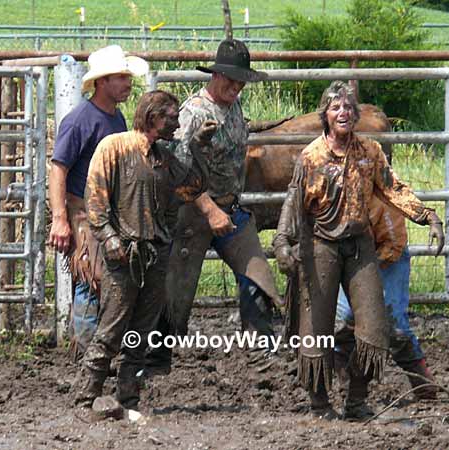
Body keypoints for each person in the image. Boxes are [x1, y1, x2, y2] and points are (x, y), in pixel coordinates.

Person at [273, 81, 445, 420]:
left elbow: (392, 188)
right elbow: (294, 203)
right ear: (324, 115)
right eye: (336, 108)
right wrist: (282, 243)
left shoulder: (370, 152)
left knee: (374, 328)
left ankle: (356, 400)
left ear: (357, 115)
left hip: (359, 246)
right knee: (316, 331)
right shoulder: (311, 156)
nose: (344, 113)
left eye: (349, 108)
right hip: (320, 246)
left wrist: (428, 216)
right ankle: (320, 403)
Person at [73, 90, 216, 412]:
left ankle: (128, 397)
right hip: (124, 254)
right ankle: (86, 397)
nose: (178, 122)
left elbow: (192, 187)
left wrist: (198, 146)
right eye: (172, 116)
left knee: (141, 333)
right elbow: (95, 200)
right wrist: (110, 239)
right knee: (112, 328)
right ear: (153, 117)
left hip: (154, 253)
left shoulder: (163, 156)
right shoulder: (115, 147)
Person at [148, 39, 283, 374]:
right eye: (231, 80)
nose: (236, 87)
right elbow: (176, 171)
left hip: (230, 208)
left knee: (257, 275)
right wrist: (209, 209)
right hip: (191, 212)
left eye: (241, 82)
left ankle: (261, 351)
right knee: (175, 287)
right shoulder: (192, 113)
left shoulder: (234, 110)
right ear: (216, 75)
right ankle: (154, 358)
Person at [48, 45, 148, 361]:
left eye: (127, 77)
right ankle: (87, 355)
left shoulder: (115, 118)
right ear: (102, 82)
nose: (127, 83)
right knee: (92, 280)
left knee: (106, 282)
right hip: (84, 212)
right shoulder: (80, 120)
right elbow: (58, 168)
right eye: (120, 77)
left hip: (106, 212)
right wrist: (60, 218)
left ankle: (98, 354)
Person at [334, 195, 438, 401]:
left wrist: (364, 274)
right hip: (349, 256)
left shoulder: (382, 198)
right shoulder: (334, 190)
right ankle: (347, 384)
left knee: (394, 324)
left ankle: (423, 386)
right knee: (344, 318)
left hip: (385, 256)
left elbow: (393, 243)